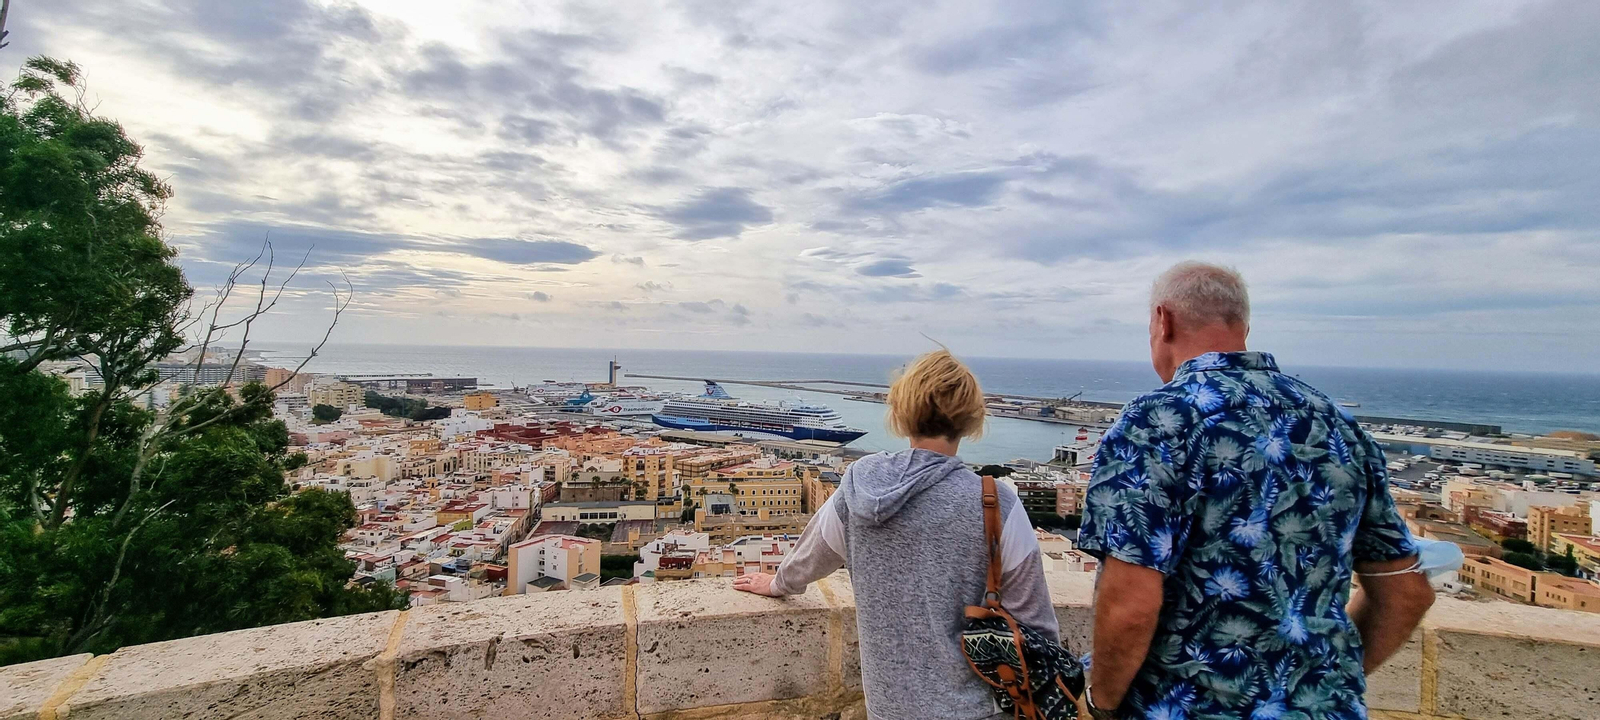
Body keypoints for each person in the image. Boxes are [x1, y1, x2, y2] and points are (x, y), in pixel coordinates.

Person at [1075, 261, 1437, 719]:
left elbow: (1131, 603)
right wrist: (1324, 685)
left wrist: (1099, 704)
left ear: (1163, 321)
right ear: (1243, 327)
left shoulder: (1157, 421)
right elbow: (1407, 592)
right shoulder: (1336, 422)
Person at [735, 349, 1058, 720]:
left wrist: (778, 583)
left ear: (901, 414)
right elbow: (1037, 627)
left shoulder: (860, 486)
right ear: (971, 420)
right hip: (980, 710)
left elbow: (814, 554)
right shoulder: (997, 503)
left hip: (889, 708)